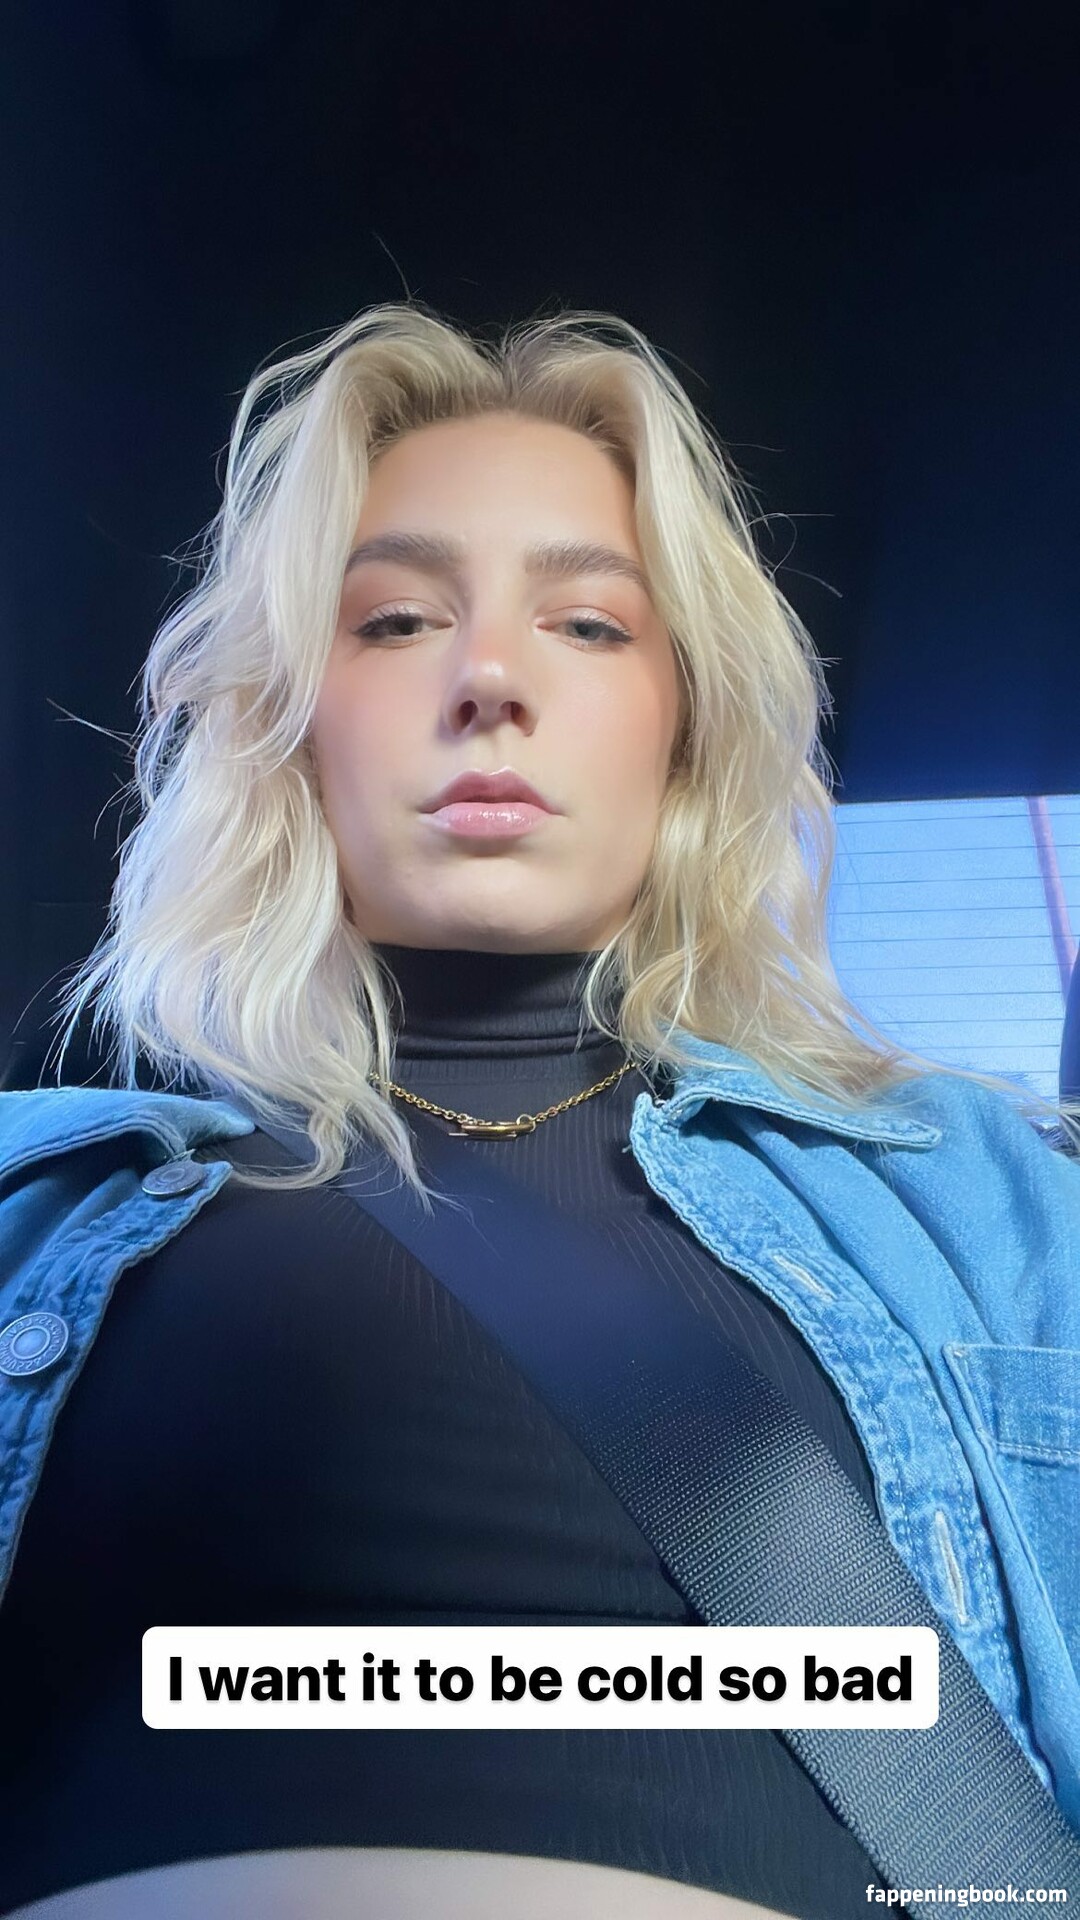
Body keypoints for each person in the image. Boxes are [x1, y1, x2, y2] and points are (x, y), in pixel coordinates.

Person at [1, 303, 1078, 1920]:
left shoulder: (986, 1201)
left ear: (685, 721)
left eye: (587, 624)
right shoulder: (30, 1202)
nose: (490, 677)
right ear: (286, 721)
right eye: (393, 621)